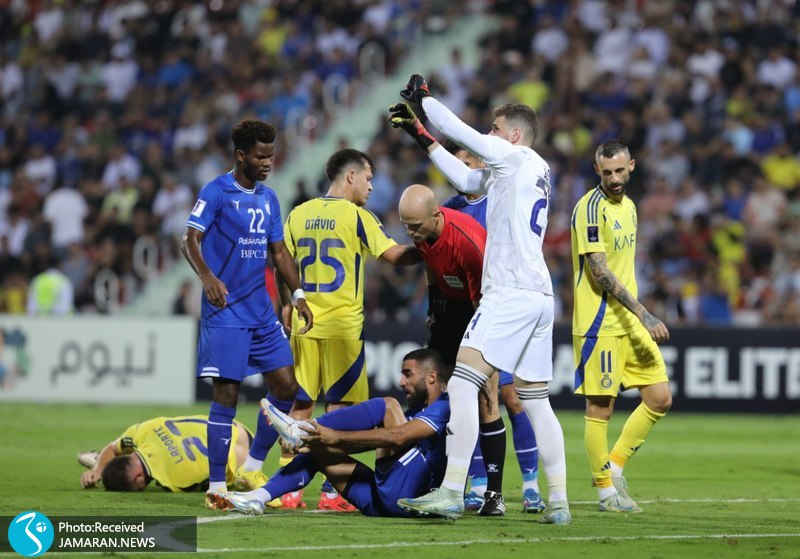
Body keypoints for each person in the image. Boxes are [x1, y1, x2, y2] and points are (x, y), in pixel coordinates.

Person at [388, 75, 570, 523]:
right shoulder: (535, 169)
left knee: (463, 381)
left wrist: (426, 102)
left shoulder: (512, 155)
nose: (489, 134)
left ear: (512, 134)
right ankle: (560, 501)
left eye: (495, 128)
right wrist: (424, 138)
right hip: (540, 295)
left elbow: (463, 133)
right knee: (536, 398)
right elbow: (468, 176)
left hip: (508, 289)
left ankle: (451, 490)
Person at [276, 148, 422, 510]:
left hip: (303, 324)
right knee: (340, 410)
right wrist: (432, 245)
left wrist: (287, 302)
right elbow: (394, 256)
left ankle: (288, 490)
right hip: (342, 327)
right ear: (351, 176)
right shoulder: (357, 216)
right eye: (369, 178)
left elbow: (281, 260)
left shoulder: (298, 213)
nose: (371, 186)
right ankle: (331, 492)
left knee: (301, 405)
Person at [182, 119, 313, 509]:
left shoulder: (269, 198)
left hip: (262, 312)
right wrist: (206, 276)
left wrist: (298, 294)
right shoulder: (216, 191)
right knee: (228, 394)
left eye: (271, 155)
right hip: (226, 312)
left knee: (287, 388)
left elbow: (279, 254)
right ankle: (218, 485)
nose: (268, 162)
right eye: (260, 156)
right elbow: (190, 237)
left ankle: (253, 466)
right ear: (241, 156)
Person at [205, 348, 450, 517]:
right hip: (382, 500)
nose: (401, 382)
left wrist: (335, 436)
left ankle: (300, 429)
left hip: (411, 497)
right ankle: (257, 497)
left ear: (431, 377)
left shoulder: (444, 407)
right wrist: (319, 441)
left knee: (387, 405)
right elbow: (376, 443)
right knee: (317, 450)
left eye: (408, 374)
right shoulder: (416, 410)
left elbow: (398, 437)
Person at [397, 183, 516, 516]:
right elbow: (431, 264)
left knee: (486, 399)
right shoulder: (425, 232)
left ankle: (493, 495)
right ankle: (440, 482)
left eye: (415, 226)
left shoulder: (468, 245)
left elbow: (484, 301)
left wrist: (480, 341)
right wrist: (434, 313)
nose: (410, 232)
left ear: (436, 216)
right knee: (431, 391)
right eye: (406, 225)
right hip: (449, 308)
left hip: (483, 311)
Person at [439, 143, 545, 514]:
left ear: (481, 164)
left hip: (503, 308)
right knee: (478, 397)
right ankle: (479, 483)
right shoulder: (448, 209)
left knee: (511, 397)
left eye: (465, 162)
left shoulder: (499, 197)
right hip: (465, 312)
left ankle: (531, 484)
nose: (458, 169)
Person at [571, 140, 672, 513]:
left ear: (632, 165)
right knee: (601, 408)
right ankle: (604, 492)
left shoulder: (629, 207)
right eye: (607, 172)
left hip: (629, 322)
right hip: (599, 323)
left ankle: (614, 468)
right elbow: (599, 272)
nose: (614, 179)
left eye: (620, 171)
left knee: (660, 397)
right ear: (597, 170)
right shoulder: (590, 209)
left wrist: (638, 317)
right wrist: (645, 313)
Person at [77, 416, 254, 493]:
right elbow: (113, 448)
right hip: (232, 424)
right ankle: (98, 460)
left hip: (244, 461)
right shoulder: (142, 431)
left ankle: (98, 460)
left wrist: (98, 469)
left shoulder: (173, 482)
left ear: (138, 478)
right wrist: (98, 471)